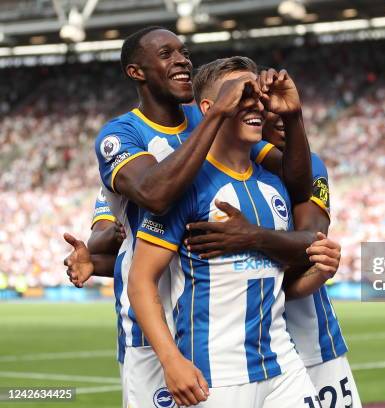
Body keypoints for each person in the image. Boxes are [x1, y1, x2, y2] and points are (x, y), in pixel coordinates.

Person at [64, 26, 313, 408]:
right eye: (166, 54)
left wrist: (291, 119)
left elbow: (296, 178)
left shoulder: (221, 124)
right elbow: (154, 197)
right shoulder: (121, 135)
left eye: (183, 51)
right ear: (137, 72)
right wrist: (96, 261)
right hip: (150, 329)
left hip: (215, 318)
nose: (182, 60)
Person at [128, 56, 322, 407]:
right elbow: (141, 281)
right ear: (209, 107)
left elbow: (280, 268)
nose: (256, 105)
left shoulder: (274, 184)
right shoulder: (184, 185)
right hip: (216, 376)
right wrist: (172, 362)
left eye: (258, 96)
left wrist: (293, 115)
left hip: (283, 365)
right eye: (242, 94)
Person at [186, 109, 362, 407]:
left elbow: (313, 239)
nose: (281, 121)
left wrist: (250, 236)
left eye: (290, 113)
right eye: (269, 112)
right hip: (239, 356)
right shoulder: (203, 176)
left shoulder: (310, 167)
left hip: (312, 342)